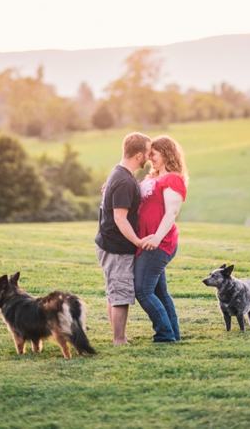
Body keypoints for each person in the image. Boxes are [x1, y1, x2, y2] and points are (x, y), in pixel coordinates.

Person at [95, 131, 151, 346]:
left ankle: (120, 337)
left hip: (108, 243)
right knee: (120, 294)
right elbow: (120, 218)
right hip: (116, 247)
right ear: (138, 155)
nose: (148, 157)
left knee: (114, 291)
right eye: (147, 152)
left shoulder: (119, 174)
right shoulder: (124, 181)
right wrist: (137, 241)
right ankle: (119, 340)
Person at [134, 134, 188, 343]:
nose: (150, 159)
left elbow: (171, 213)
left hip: (159, 242)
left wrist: (157, 237)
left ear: (165, 153)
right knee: (159, 292)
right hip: (149, 241)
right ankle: (173, 333)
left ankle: (165, 335)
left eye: (153, 154)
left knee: (143, 290)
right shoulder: (152, 178)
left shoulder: (171, 178)